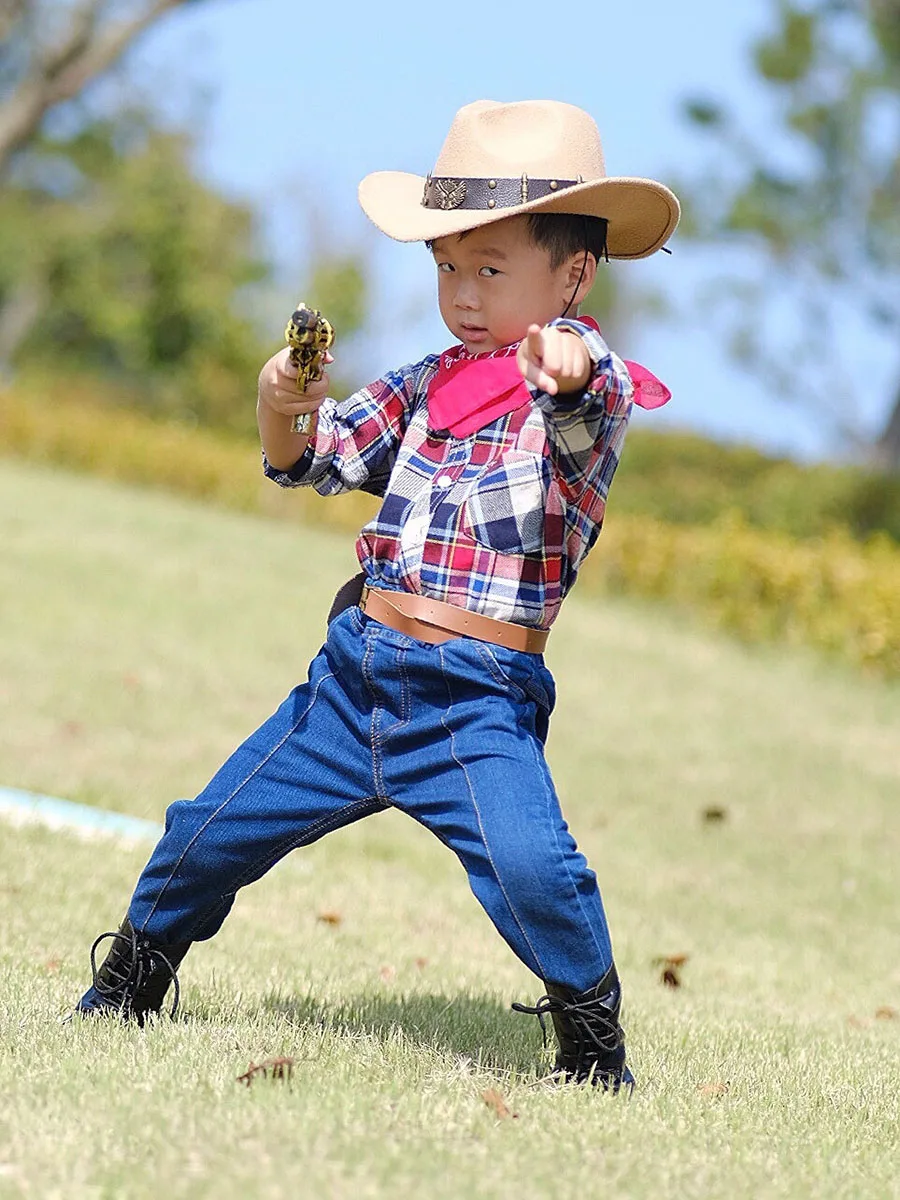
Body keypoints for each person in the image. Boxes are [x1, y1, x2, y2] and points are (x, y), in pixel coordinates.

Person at [71, 100, 679, 1092]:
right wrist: (282, 405)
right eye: (447, 268)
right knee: (208, 830)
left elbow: (588, 401)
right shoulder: (425, 383)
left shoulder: (590, 386)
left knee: (536, 873)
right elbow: (318, 458)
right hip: (354, 681)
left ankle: (592, 1042)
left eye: (491, 270)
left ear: (573, 275)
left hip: (475, 703)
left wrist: (567, 365)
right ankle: (133, 978)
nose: (464, 295)